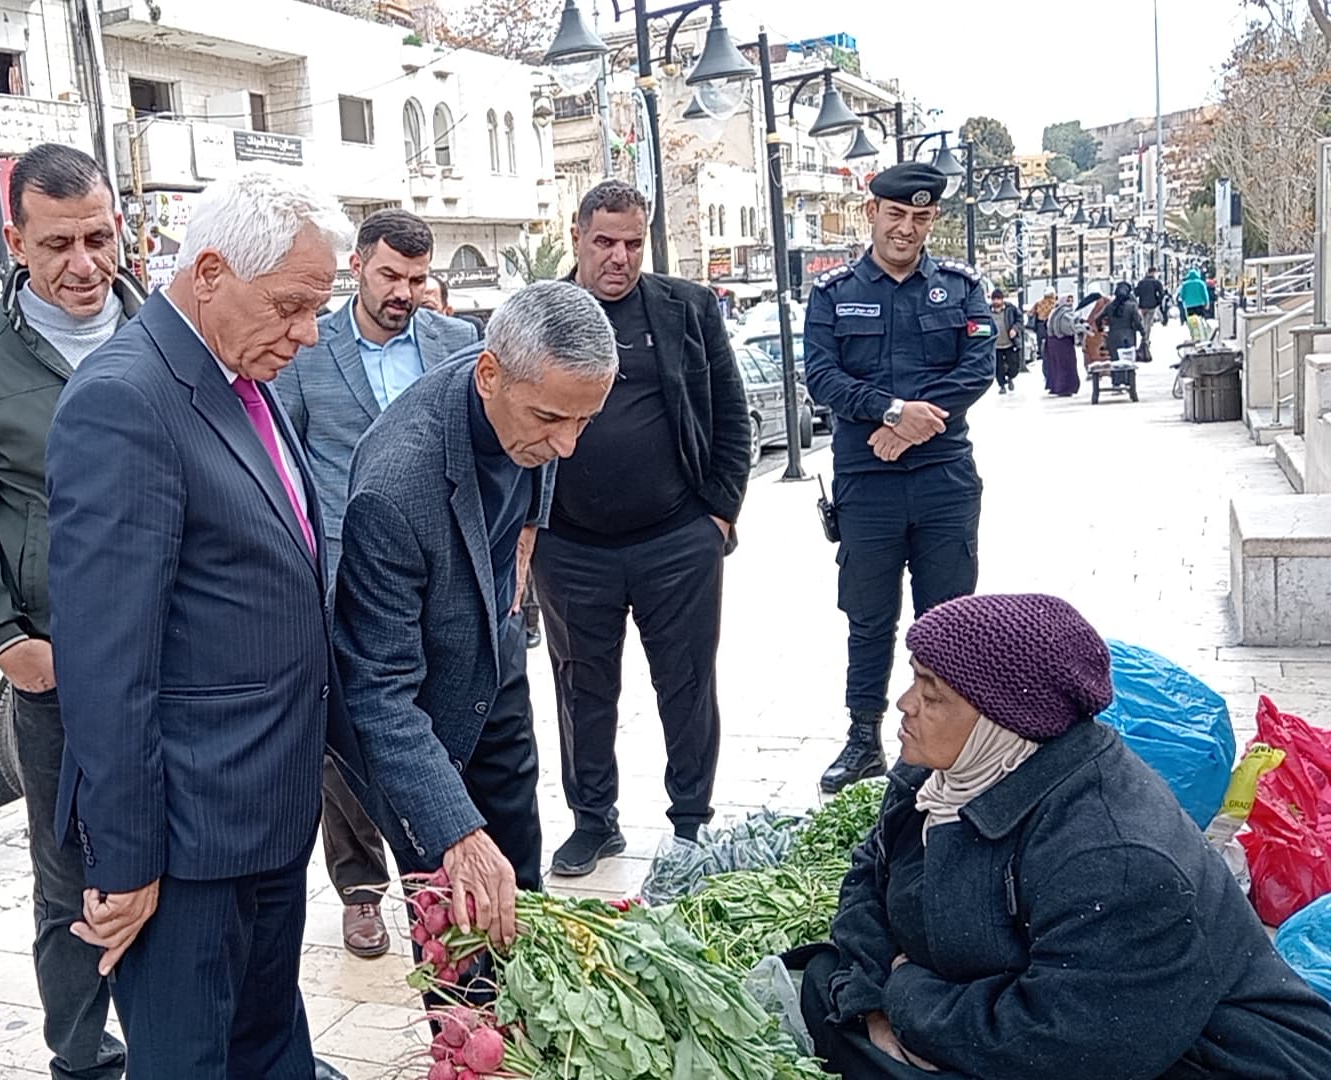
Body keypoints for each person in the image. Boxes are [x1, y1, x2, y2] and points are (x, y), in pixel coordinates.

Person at [42, 170, 358, 1079]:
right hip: (184, 843)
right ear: (211, 270)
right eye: (292, 306)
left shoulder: (239, 379)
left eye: (316, 307)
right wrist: (130, 861)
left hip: (261, 808)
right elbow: (108, 660)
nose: (307, 332)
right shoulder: (127, 399)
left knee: (267, 1049)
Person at [797, 593, 1331, 1079]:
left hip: (1200, 1055)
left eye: (931, 695)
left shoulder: (1115, 855)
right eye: (914, 679)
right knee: (826, 984)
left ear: (1000, 721)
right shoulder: (938, 777)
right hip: (994, 1003)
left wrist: (904, 993)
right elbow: (869, 872)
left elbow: (1065, 1043)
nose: (905, 704)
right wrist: (872, 1001)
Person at [0, 142, 141, 1080]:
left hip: (176, 655)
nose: (82, 264)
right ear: (15, 239)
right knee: (71, 877)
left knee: (194, 857)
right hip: (61, 675)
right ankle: (84, 1059)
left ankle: (191, 1035)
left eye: (98, 237)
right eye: (57, 245)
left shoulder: (170, 332)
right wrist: (11, 646)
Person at [334, 280, 617, 941]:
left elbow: (548, 448)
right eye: (551, 420)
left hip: (496, 661)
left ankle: (533, 1025)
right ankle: (465, 1040)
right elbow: (377, 692)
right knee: (459, 927)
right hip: (424, 716)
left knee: (521, 894)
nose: (569, 445)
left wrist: (528, 528)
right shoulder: (395, 490)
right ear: (488, 377)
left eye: (586, 420)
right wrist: (455, 831)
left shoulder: (531, 396)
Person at [274, 209, 478, 961]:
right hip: (342, 578)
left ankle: (443, 869)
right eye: (390, 275)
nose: (403, 292)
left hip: (445, 583)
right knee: (350, 748)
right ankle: (361, 892)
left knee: (435, 731)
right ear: (357, 267)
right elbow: (289, 467)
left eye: (417, 280)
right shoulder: (305, 351)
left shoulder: (459, 347)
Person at [532, 179, 752, 874]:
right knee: (581, 689)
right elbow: (508, 429)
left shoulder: (687, 309)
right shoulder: (538, 315)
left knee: (686, 685)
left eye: (632, 243)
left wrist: (717, 516)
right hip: (571, 548)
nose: (619, 257)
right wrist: (527, 529)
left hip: (675, 541)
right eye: (604, 242)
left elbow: (731, 413)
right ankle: (593, 821)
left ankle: (690, 821)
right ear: (576, 237)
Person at [802, 161, 993, 795]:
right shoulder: (831, 295)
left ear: (931, 220)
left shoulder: (963, 290)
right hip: (867, 481)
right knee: (868, 614)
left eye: (920, 217)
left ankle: (949, 740)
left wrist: (911, 426)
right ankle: (864, 739)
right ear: (872, 213)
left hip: (942, 478)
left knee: (947, 616)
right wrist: (889, 411)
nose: (906, 228)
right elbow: (822, 378)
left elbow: (976, 371)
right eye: (896, 215)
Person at [1044, 293, 1081, 397]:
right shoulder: (1064, 313)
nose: (1070, 303)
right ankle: (1065, 388)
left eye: (1071, 301)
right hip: (1063, 343)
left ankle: (1056, 386)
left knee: (1056, 366)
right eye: (1067, 301)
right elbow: (1068, 328)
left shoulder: (1055, 312)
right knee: (1066, 365)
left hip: (1053, 343)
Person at [989, 289, 1021, 394]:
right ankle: (1002, 385)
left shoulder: (1010, 309)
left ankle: (1010, 377)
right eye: (994, 299)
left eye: (998, 299)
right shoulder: (987, 311)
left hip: (1009, 342)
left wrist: (1015, 329)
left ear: (1002, 300)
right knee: (998, 368)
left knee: (1014, 365)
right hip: (995, 345)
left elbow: (1019, 320)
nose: (996, 302)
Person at [1180, 266, 1213, 337]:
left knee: (1192, 321)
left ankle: (1194, 335)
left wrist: (1183, 301)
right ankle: (1201, 334)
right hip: (1199, 304)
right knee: (1200, 320)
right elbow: (1205, 294)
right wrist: (1207, 303)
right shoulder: (1201, 283)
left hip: (1189, 305)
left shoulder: (1185, 284)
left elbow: (1182, 295)